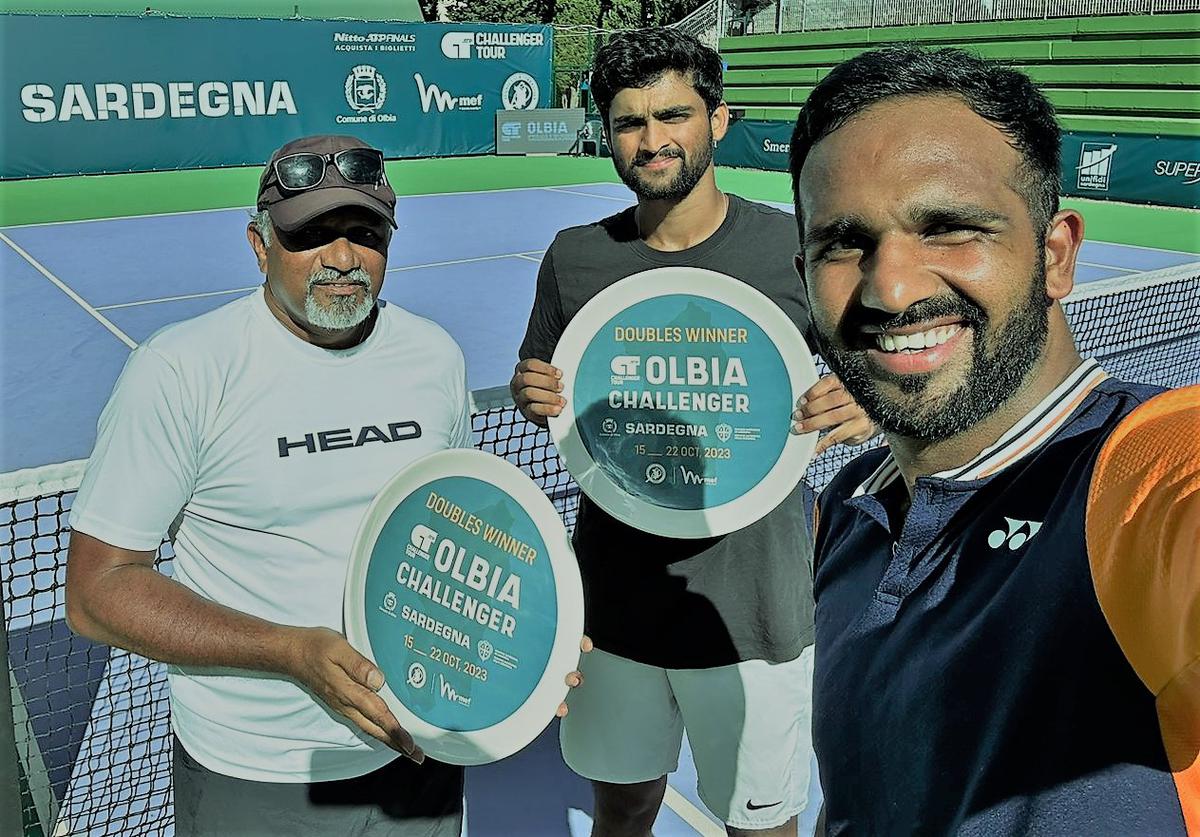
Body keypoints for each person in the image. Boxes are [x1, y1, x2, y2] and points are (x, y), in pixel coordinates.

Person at [64, 134, 582, 836]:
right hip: (260, 772)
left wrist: (531, 650)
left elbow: (454, 530)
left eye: (364, 232)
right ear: (259, 244)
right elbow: (98, 592)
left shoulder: (433, 355)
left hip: (420, 750)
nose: (342, 258)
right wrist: (289, 650)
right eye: (309, 234)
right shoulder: (180, 371)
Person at [789, 46, 1199, 834]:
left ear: (1055, 255)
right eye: (843, 242)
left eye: (948, 228)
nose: (891, 288)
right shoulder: (849, 509)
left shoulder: (1136, 474)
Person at [511, 29, 875, 837]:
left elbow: (879, 370)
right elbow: (539, 372)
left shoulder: (794, 249)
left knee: (764, 827)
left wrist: (860, 403)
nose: (652, 140)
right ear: (607, 134)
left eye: (673, 115)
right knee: (623, 808)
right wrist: (530, 388)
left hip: (755, 610)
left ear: (718, 119)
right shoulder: (576, 258)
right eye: (629, 122)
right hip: (611, 607)